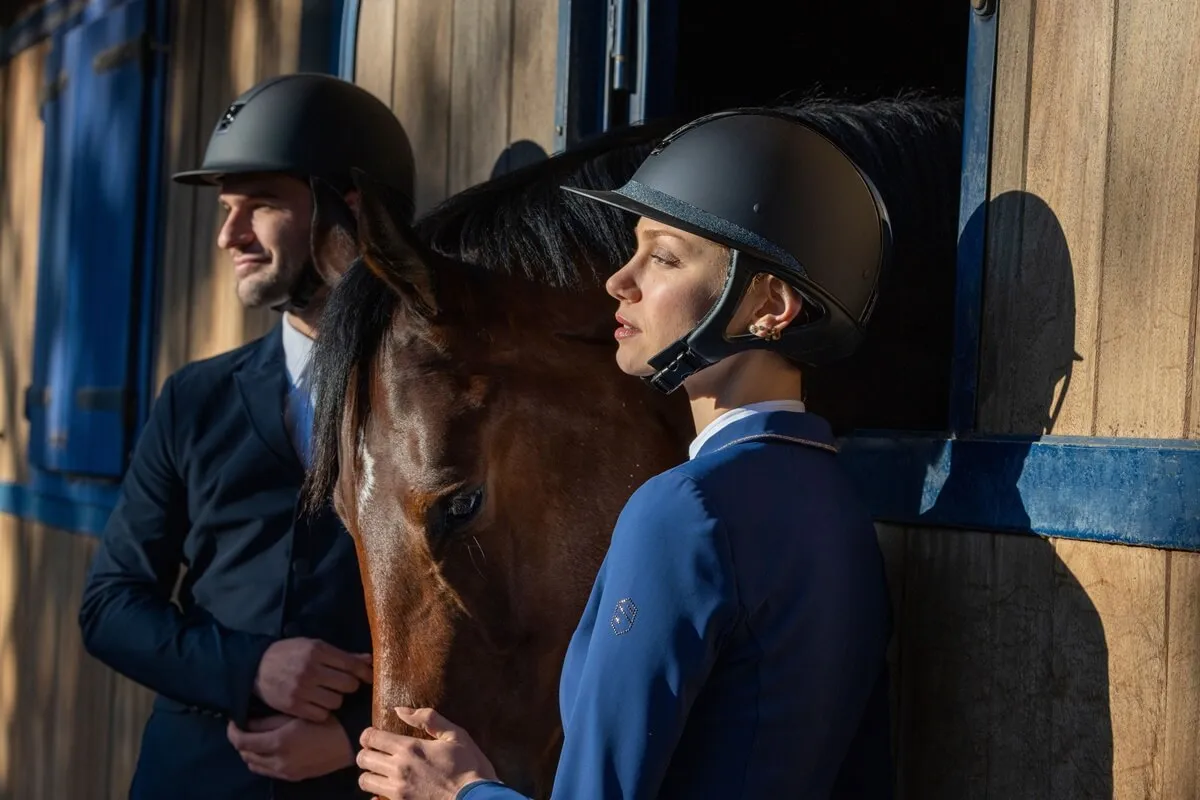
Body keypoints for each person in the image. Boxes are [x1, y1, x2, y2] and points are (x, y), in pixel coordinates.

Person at [354, 107, 895, 798]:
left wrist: (461, 791)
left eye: (664, 256)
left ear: (772, 305)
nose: (620, 280)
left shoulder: (682, 510)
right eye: (633, 248)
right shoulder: (841, 505)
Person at [79, 73, 416, 800]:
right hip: (191, 778)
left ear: (347, 209)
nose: (230, 235)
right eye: (228, 209)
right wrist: (250, 667)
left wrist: (358, 731)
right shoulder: (194, 399)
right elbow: (111, 605)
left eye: (260, 205)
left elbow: (503, 624)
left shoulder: (446, 399)